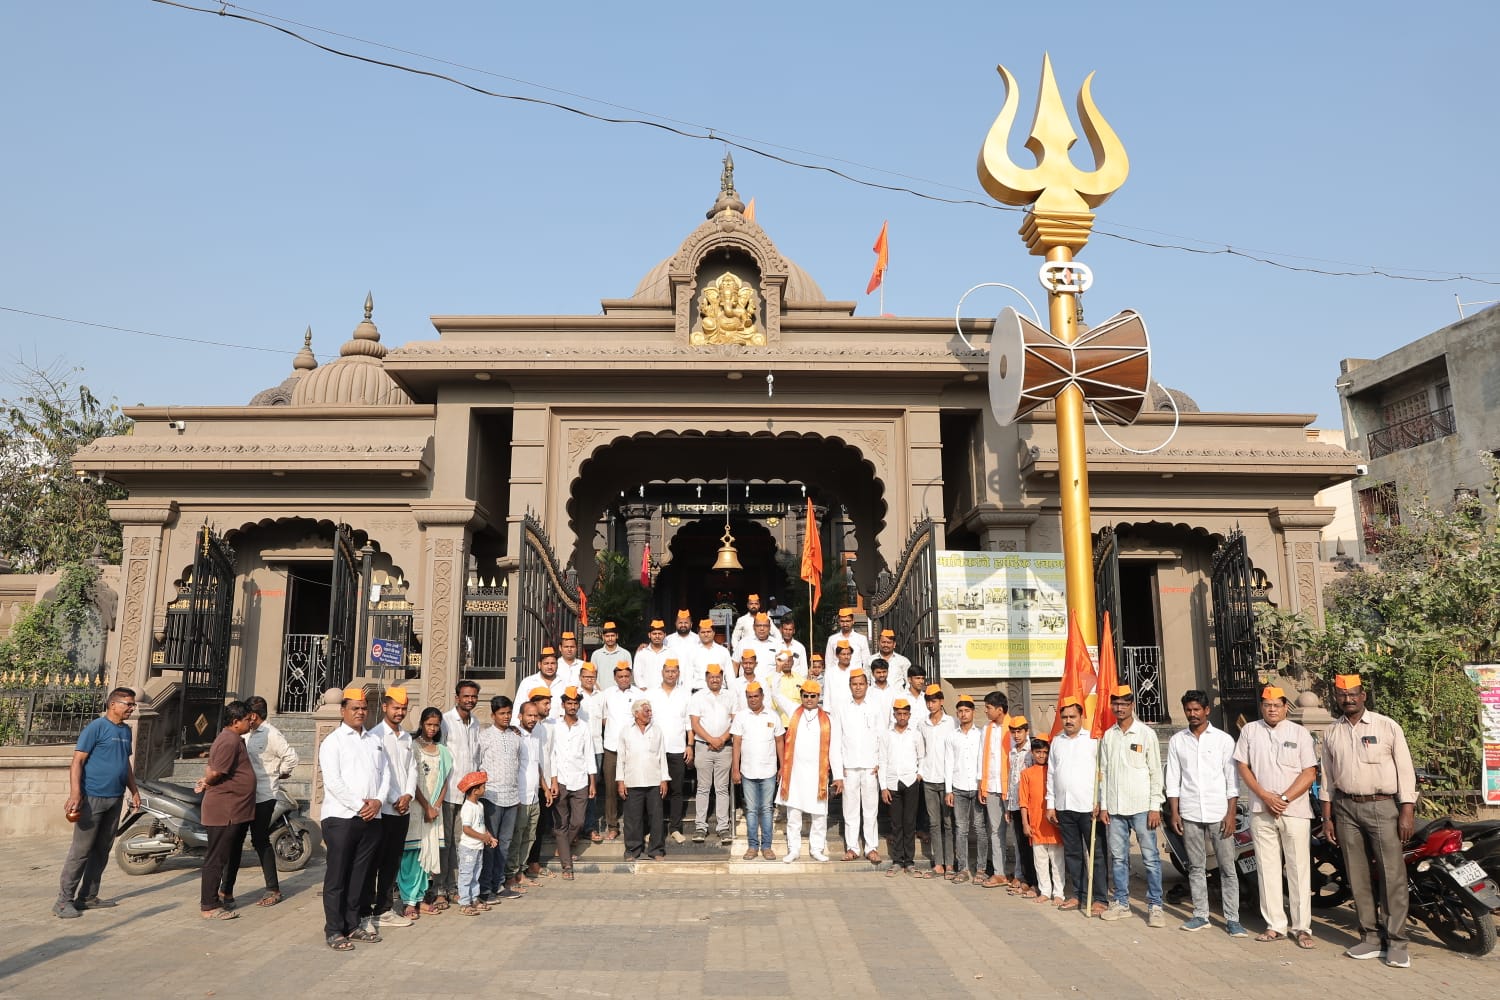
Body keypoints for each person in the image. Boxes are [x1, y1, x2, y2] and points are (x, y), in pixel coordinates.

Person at [1319, 672, 1418, 968]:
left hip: (1382, 806)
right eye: (1342, 695)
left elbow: (1405, 769)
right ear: (1336, 698)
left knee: (1392, 875)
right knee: (1357, 875)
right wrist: (1327, 817)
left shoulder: (1386, 726)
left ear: (1363, 696)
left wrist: (1406, 810)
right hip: (1346, 808)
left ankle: (1397, 941)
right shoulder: (1331, 732)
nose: (1347, 699)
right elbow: (1326, 777)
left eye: (1353, 694)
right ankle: (1370, 938)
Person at [1234, 684, 1318, 949]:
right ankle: (1275, 925)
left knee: (1298, 868)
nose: (1272, 709)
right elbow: (1242, 766)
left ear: (1285, 707)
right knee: (1267, 868)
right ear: (1262, 706)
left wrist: (1282, 798)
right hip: (1262, 809)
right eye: (1267, 705)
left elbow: (1309, 773)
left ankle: (1302, 926)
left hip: (1294, 810)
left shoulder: (1300, 733)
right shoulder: (1249, 731)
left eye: (1277, 705)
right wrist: (1263, 795)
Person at [319, 685, 393, 951]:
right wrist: (360, 805)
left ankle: (352, 925)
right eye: (355, 708)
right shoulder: (333, 742)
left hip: (372, 818)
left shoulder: (374, 741)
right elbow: (333, 781)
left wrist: (378, 802)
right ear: (343, 711)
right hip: (341, 818)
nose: (360, 712)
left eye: (363, 708)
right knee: (337, 876)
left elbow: (385, 775)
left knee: (360, 877)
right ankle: (334, 929)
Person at [1165, 689, 1244, 936]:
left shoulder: (1223, 740)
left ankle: (1233, 918)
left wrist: (1231, 814)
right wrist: (1175, 813)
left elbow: (1232, 781)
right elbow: (1173, 778)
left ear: (1206, 710)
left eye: (1197, 709)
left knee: (1227, 867)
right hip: (1189, 813)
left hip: (1219, 813)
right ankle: (1201, 914)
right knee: (1196, 867)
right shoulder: (1178, 741)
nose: (1192, 714)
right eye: (1188, 710)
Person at [55, 686, 139, 918]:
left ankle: (88, 897)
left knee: (102, 850)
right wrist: (75, 793)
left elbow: (125, 763)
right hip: (91, 798)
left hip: (115, 798)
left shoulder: (125, 731)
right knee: (81, 851)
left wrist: (134, 790)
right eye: (128, 704)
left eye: (133, 705)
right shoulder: (96, 728)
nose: (132, 708)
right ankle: (63, 901)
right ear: (113, 704)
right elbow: (77, 762)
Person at [220, 695, 297, 911]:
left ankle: (273, 888)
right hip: (244, 795)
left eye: (246, 715)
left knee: (260, 840)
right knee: (234, 841)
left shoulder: (272, 734)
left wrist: (277, 774)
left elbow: (291, 757)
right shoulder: (245, 734)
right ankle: (226, 890)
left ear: (253, 716)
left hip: (263, 795)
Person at [1097, 684, 1165, 926]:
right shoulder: (1109, 735)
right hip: (1115, 808)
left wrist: (1155, 806)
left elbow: (1156, 772)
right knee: (1118, 858)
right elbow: (1102, 772)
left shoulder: (1146, 734)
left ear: (1132, 705)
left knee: (1150, 858)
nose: (1119, 707)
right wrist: (1103, 805)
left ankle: (1155, 905)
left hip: (1142, 808)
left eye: (1124, 703)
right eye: (1115, 703)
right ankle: (1122, 903)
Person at [1046, 697, 1106, 916]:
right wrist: (1051, 804)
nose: (1068, 720)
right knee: (1072, 853)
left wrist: (1100, 801)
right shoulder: (1057, 741)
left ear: (1082, 717)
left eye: (1072, 716)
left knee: (1096, 854)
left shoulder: (1093, 740)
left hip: (1089, 808)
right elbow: (1051, 774)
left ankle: (1099, 898)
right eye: (1064, 717)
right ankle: (1078, 894)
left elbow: (1102, 774)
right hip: (1064, 806)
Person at [196, 700, 256, 920]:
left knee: (223, 856)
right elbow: (214, 772)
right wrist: (206, 781)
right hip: (224, 809)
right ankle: (209, 905)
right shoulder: (229, 741)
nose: (251, 722)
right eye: (247, 719)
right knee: (216, 858)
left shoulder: (234, 739)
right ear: (235, 721)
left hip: (233, 809)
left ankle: (216, 899)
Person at [362, 688, 415, 931]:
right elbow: (382, 774)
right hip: (384, 810)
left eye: (403, 708)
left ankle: (384, 909)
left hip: (403, 809)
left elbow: (412, 768)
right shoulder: (375, 736)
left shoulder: (406, 736)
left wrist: (408, 795)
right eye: (396, 708)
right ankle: (367, 909)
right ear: (385, 707)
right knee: (375, 861)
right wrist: (395, 797)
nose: (400, 712)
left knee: (392, 861)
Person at [779, 680, 841, 863]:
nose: (809, 699)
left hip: (817, 774)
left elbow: (834, 749)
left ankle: (816, 849)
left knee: (819, 815)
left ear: (818, 697)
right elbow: (775, 694)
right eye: (805, 696)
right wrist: (779, 669)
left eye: (812, 696)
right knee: (794, 815)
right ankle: (794, 849)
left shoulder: (829, 719)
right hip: (796, 773)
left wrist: (838, 776)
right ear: (801, 697)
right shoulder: (793, 711)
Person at [398, 707, 451, 918]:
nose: (432, 728)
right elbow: (412, 780)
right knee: (412, 854)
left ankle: (420, 899)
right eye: (429, 724)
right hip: (416, 807)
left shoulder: (442, 751)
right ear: (422, 724)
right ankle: (408, 901)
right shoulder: (413, 747)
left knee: (427, 854)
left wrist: (436, 806)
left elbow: (445, 780)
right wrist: (426, 806)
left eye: (436, 725)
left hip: (433, 811)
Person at [439, 679, 482, 907]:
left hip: (467, 796)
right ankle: (440, 888)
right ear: (457, 698)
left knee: (461, 842)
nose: (470, 700)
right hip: (447, 793)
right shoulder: (445, 721)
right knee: (444, 843)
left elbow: (476, 757)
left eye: (473, 696)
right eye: (466, 696)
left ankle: (456, 887)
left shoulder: (475, 723)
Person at [731, 681, 785, 860]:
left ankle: (767, 847)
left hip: (769, 770)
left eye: (756, 696)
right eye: (749, 697)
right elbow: (737, 743)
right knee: (752, 810)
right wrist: (735, 769)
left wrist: (782, 766)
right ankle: (753, 846)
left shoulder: (773, 715)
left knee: (767, 809)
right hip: (747, 770)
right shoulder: (741, 716)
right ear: (746, 698)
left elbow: (779, 742)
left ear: (762, 696)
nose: (753, 700)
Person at [546, 686, 596, 879]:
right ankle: (567, 866)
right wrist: (554, 781)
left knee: (578, 821)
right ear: (563, 704)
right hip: (561, 780)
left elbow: (589, 755)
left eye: (575, 703)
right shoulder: (555, 727)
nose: (572, 706)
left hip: (581, 779)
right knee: (561, 824)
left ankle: (563, 846)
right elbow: (552, 755)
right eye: (569, 703)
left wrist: (592, 782)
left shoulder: (584, 727)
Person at [834, 668, 883, 862]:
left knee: (871, 809)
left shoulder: (875, 706)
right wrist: (838, 772)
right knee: (850, 810)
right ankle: (852, 847)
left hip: (871, 766)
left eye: (861, 684)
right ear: (849, 686)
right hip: (849, 767)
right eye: (854, 684)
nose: (858, 687)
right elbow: (836, 741)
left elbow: (881, 736)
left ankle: (871, 848)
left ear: (867, 685)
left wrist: (880, 762)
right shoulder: (842, 707)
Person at [476, 695, 522, 904]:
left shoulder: (515, 737)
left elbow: (517, 763)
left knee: (504, 844)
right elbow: (477, 763)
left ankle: (499, 884)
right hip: (491, 797)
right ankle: (485, 889)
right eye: (502, 713)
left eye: (508, 713)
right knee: (490, 843)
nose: (506, 717)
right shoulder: (484, 737)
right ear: (493, 715)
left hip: (512, 797)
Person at [506, 700, 551, 894]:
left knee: (529, 837)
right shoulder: (515, 736)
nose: (533, 719)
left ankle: (521, 872)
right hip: (520, 797)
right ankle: (510, 875)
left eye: (535, 716)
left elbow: (536, 765)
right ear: (520, 716)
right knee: (517, 838)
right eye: (529, 715)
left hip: (534, 796)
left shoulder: (534, 737)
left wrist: (545, 788)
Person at [689, 663, 736, 845]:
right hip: (703, 746)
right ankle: (701, 826)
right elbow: (695, 723)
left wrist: (722, 739)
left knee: (722, 788)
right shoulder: (698, 696)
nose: (715, 679)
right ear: (706, 678)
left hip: (725, 747)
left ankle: (723, 827)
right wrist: (710, 739)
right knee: (703, 787)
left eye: (718, 676)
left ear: (722, 677)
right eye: (711, 677)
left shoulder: (730, 695)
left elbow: (735, 720)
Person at [617, 699, 670, 862]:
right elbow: (621, 758)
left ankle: (656, 849)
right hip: (632, 780)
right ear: (636, 713)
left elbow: (662, 755)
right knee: (632, 818)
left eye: (650, 710)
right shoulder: (626, 731)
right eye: (646, 711)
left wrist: (664, 779)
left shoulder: (657, 730)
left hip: (654, 780)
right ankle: (632, 850)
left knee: (656, 817)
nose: (649, 713)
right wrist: (620, 781)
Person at [648, 658, 692, 844]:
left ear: (678, 674)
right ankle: (654, 830)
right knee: (653, 791)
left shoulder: (685, 695)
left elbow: (689, 723)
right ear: (662, 672)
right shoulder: (651, 694)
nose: (671, 674)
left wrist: (689, 745)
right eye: (668, 671)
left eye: (674, 671)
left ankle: (675, 828)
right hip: (655, 750)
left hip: (677, 749)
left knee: (676, 790)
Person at [879, 697, 925, 875]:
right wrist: (883, 787)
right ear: (894, 715)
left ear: (909, 715)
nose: (902, 717)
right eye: (899, 714)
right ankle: (897, 860)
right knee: (896, 823)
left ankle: (910, 862)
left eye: (905, 714)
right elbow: (882, 760)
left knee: (909, 822)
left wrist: (919, 774)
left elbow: (922, 756)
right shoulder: (886, 735)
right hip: (892, 782)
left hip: (910, 781)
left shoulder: (915, 734)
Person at [945, 694, 987, 885]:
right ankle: (962, 868)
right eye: (960, 711)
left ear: (973, 712)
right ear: (957, 713)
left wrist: (982, 785)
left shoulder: (981, 735)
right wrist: (949, 790)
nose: (963, 714)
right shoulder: (952, 736)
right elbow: (949, 762)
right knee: (961, 829)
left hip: (977, 787)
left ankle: (981, 868)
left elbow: (983, 761)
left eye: (967, 711)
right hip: (959, 786)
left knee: (980, 828)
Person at [599, 662, 641, 842]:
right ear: (615, 677)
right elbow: (602, 717)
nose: (623, 679)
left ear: (630, 676)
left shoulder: (639, 693)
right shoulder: (607, 694)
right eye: (620, 676)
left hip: (633, 748)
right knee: (610, 788)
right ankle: (613, 826)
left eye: (626, 676)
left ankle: (634, 825)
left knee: (633, 788)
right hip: (611, 747)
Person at [1020, 738, 1064, 905]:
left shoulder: (1055, 772)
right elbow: (1023, 802)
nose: (1042, 755)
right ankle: (1045, 890)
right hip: (1035, 824)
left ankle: (1059, 893)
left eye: (1045, 752)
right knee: (1040, 861)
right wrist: (1025, 823)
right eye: (1038, 752)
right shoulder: (1026, 774)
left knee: (1057, 860)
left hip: (1053, 824)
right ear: (1032, 753)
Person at [918, 684, 956, 878]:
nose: (931, 704)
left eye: (934, 701)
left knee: (948, 823)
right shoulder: (922, 723)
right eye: (928, 701)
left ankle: (950, 862)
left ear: (941, 701)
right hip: (929, 779)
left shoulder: (951, 723)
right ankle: (938, 862)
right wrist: (920, 771)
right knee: (934, 823)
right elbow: (920, 750)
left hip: (947, 779)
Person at [976, 691, 1013, 888]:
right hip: (991, 786)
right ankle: (999, 873)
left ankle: (1022, 875)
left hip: (1011, 789)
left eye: (988, 707)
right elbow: (982, 757)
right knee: (996, 831)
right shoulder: (986, 729)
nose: (986, 710)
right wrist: (982, 785)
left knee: (1016, 833)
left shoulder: (1014, 727)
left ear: (1000, 709)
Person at [1004, 715, 1037, 894]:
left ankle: (1034, 880)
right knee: (1021, 844)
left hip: (1030, 804)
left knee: (1032, 845)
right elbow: (1011, 780)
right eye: (1013, 732)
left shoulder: (1032, 752)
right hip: (1016, 804)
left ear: (1027, 732)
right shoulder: (1012, 752)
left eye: (1019, 731)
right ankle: (1024, 877)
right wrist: (1009, 805)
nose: (1016, 735)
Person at [454, 771, 495, 915]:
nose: (485, 789)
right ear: (475, 790)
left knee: (476, 873)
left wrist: (489, 837)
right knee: (466, 874)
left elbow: (481, 825)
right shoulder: (468, 808)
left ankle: (474, 898)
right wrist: (482, 837)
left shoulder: (479, 806)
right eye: (483, 786)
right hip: (468, 848)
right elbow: (466, 829)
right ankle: (464, 903)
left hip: (478, 847)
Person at [577, 665, 606, 842]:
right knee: (576, 789)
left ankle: (590, 827)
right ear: (580, 677)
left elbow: (605, 721)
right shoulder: (574, 695)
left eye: (593, 676)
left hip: (596, 748)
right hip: (576, 749)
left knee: (592, 790)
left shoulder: (601, 696)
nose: (589, 679)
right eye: (586, 676)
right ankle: (574, 829)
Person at [690, 617, 733, 693]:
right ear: (698, 634)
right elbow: (687, 677)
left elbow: (730, 677)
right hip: (699, 693)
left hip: (720, 693)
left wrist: (732, 696)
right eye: (703, 632)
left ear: (714, 633)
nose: (706, 634)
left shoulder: (723, 651)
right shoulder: (692, 651)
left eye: (708, 631)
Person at [824, 606, 870, 673]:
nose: (845, 624)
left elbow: (866, 661)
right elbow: (828, 662)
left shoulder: (861, 639)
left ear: (853, 621)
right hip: (837, 676)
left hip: (856, 678)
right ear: (839, 622)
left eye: (848, 621)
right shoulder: (832, 639)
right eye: (842, 621)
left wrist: (865, 679)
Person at [634, 620, 671, 691]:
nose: (657, 636)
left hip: (665, 693)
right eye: (654, 634)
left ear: (665, 635)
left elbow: (674, 673)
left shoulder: (670, 653)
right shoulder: (641, 653)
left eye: (660, 634)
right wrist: (643, 689)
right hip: (645, 693)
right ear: (649, 635)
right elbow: (637, 673)